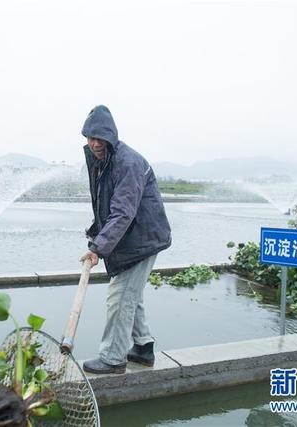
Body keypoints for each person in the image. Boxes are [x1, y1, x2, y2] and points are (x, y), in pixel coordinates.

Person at [79, 105, 172, 375]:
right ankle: (143, 348)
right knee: (131, 294)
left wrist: (99, 249)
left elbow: (123, 211)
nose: (95, 143)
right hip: (129, 236)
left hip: (144, 237)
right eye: (90, 137)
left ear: (111, 136)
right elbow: (105, 205)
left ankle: (113, 358)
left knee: (120, 296)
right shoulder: (102, 161)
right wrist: (96, 235)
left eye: (100, 138)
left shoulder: (128, 162)